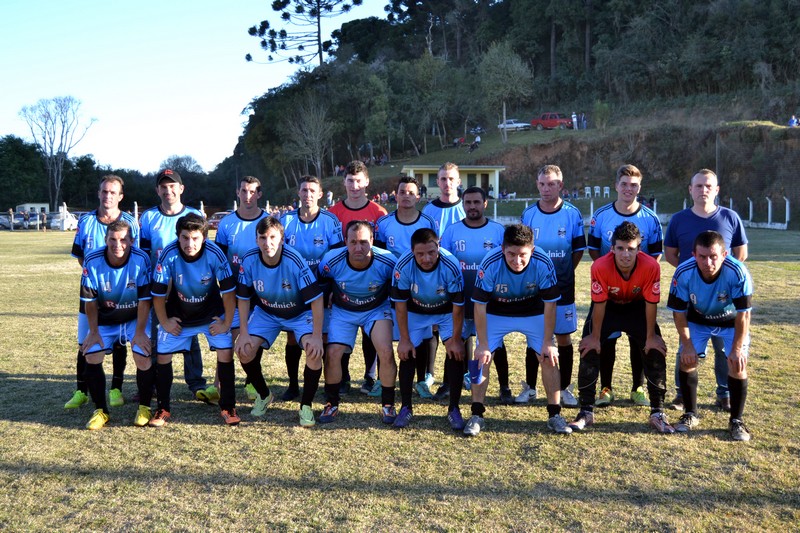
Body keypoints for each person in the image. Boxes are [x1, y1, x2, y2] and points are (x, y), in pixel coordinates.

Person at [465, 224, 570, 437]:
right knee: (480, 358)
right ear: (502, 248)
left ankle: (555, 415)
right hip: (496, 312)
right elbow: (479, 305)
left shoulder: (543, 262)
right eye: (511, 254)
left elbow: (550, 305)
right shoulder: (490, 262)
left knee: (548, 356)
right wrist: (483, 344)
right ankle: (476, 414)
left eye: (523, 254)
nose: (517, 261)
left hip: (532, 311)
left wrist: (548, 341)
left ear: (532, 250)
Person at [570, 221, 672, 434]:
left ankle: (658, 411)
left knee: (654, 349)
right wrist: (596, 337)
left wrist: (651, 336)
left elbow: (651, 303)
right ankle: (585, 411)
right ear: (612, 247)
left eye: (631, 249)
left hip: (637, 307)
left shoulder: (651, 266)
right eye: (621, 248)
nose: (626, 254)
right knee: (589, 348)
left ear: (639, 249)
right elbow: (599, 304)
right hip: (609, 307)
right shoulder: (599, 266)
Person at [664, 169, 748, 412]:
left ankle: (724, 393)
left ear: (717, 190)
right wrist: (694, 275)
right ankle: (682, 394)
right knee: (687, 343)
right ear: (690, 190)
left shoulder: (730, 217)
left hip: (724, 297)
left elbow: (740, 254)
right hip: (691, 292)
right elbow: (671, 254)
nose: (703, 190)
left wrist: (721, 276)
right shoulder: (679, 219)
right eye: (698, 186)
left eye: (708, 186)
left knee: (724, 346)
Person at [234, 217, 325, 427]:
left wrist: (317, 336)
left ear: (282, 239)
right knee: (244, 350)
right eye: (263, 238)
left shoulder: (294, 259)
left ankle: (306, 406)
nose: (268, 243)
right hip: (267, 313)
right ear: (256, 240)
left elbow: (317, 299)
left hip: (300, 314)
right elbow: (244, 298)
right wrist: (244, 332)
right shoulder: (248, 260)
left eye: (273, 237)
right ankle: (264, 395)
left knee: (313, 351)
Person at [150, 213, 238, 426]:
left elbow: (228, 292)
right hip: (179, 316)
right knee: (163, 356)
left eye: (195, 238)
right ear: (178, 236)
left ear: (204, 238)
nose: (190, 243)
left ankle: (228, 406)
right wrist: (164, 321)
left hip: (211, 315)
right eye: (185, 238)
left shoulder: (215, 253)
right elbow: (158, 293)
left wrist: (226, 323)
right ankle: (163, 408)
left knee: (225, 353)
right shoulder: (168, 254)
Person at [587, 164, 662, 408]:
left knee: (639, 341)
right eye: (624, 184)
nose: (628, 189)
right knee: (604, 339)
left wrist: (637, 279)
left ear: (639, 187)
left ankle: (637, 387)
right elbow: (593, 249)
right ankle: (605, 388)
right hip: (607, 290)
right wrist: (611, 277)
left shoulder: (650, 218)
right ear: (616, 185)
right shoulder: (601, 215)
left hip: (639, 293)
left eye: (634, 185)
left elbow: (656, 255)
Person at [667, 231, 754, 441]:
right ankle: (690, 414)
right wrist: (687, 344)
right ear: (694, 255)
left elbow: (744, 314)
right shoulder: (683, 272)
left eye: (713, 256)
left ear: (724, 254)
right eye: (703, 256)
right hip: (698, 321)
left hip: (731, 322)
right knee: (686, 360)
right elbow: (678, 312)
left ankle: (736, 421)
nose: (708, 262)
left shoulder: (737, 272)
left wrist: (736, 349)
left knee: (737, 363)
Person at [139, 169, 215, 403]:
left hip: (190, 287)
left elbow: (206, 251)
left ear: (181, 189)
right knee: (155, 334)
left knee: (189, 333)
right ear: (157, 190)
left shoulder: (194, 213)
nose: (168, 190)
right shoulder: (149, 217)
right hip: (160, 286)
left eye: (172, 186)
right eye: (163, 186)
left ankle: (196, 383)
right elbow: (143, 254)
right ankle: (151, 383)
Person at [66, 175, 140, 410]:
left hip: (121, 291)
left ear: (120, 196)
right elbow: (80, 254)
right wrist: (97, 278)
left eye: (112, 192)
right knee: (86, 341)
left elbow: (134, 257)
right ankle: (81, 391)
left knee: (118, 340)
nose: (107, 196)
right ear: (99, 193)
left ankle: (116, 388)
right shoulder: (86, 220)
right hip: (91, 289)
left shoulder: (130, 221)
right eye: (104, 191)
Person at [316, 220, 397, 424]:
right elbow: (322, 281)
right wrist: (330, 294)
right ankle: (331, 403)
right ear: (345, 241)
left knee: (386, 351)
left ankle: (388, 404)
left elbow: (398, 285)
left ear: (372, 240)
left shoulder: (388, 261)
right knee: (333, 353)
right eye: (353, 242)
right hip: (344, 311)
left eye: (363, 242)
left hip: (376, 310)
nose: (358, 248)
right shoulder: (331, 260)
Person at [520, 165, 586, 407]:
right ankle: (530, 387)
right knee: (533, 337)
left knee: (563, 337)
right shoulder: (528, 215)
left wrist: (563, 272)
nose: (546, 188)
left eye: (551, 184)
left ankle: (566, 387)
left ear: (560, 185)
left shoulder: (572, 214)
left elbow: (578, 251)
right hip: (533, 287)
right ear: (537, 185)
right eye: (542, 184)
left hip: (562, 288)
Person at [439, 186, 505, 426]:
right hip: (460, 299)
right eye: (468, 203)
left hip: (491, 302)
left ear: (485, 203)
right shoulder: (453, 231)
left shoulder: (497, 230)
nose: (472, 206)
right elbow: (444, 262)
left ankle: (504, 387)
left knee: (491, 346)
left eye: (477, 202)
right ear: (463, 204)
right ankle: (451, 390)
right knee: (456, 345)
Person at [79, 219, 151, 429]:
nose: (117, 244)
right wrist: (93, 332)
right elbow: (90, 302)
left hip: (133, 318)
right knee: (91, 354)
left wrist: (139, 332)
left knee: (143, 354)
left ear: (131, 240)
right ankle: (101, 410)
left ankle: (145, 407)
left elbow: (145, 300)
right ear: (105, 239)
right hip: (105, 319)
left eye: (123, 240)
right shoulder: (92, 260)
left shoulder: (141, 258)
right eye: (112, 239)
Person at [391, 228, 465, 428]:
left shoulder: (451, 264)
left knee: (456, 352)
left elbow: (458, 307)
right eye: (420, 254)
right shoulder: (403, 265)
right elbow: (400, 304)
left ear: (438, 246)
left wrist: (456, 340)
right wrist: (404, 340)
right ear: (412, 250)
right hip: (416, 312)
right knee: (407, 352)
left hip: (446, 311)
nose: (426, 258)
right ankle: (406, 407)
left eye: (431, 252)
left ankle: (454, 409)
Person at [328, 160, 388, 394]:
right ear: (344, 183)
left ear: (367, 182)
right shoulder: (334, 213)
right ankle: (342, 378)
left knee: (370, 333)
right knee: (342, 333)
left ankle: (370, 376)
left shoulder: (378, 212)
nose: (354, 186)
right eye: (350, 181)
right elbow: (332, 255)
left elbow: (382, 250)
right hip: (344, 283)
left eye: (358, 181)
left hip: (373, 284)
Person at [280, 176, 342, 400]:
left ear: (320, 194)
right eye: (304, 190)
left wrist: (333, 287)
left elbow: (337, 256)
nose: (307, 194)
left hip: (321, 287)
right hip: (294, 289)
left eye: (312, 190)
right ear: (298, 193)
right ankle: (293, 385)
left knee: (322, 337)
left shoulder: (330, 220)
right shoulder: (286, 220)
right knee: (292, 338)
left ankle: (324, 385)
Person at [374, 177, 437, 397]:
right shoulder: (384, 223)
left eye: (411, 192)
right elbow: (379, 255)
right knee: (386, 331)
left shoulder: (428, 222)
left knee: (421, 331)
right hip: (392, 286)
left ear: (418, 196)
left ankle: (422, 380)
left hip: (422, 286)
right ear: (396, 194)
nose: (407, 196)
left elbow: (434, 254)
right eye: (402, 192)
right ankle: (383, 377)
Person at [214, 176, 268, 400]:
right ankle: (218, 381)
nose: (248, 196)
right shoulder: (227, 223)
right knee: (229, 334)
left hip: (261, 290)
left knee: (255, 335)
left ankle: (251, 382)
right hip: (234, 290)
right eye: (244, 191)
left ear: (259, 194)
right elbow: (218, 257)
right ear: (238, 193)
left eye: (252, 191)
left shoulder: (268, 221)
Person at [422, 162, 467, 399]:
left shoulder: (466, 208)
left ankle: (461, 375)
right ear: (437, 182)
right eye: (442, 179)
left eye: (451, 179)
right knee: (435, 324)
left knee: (463, 325)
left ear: (458, 181)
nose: (447, 183)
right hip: (435, 277)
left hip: (463, 277)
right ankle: (429, 374)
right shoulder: (429, 211)